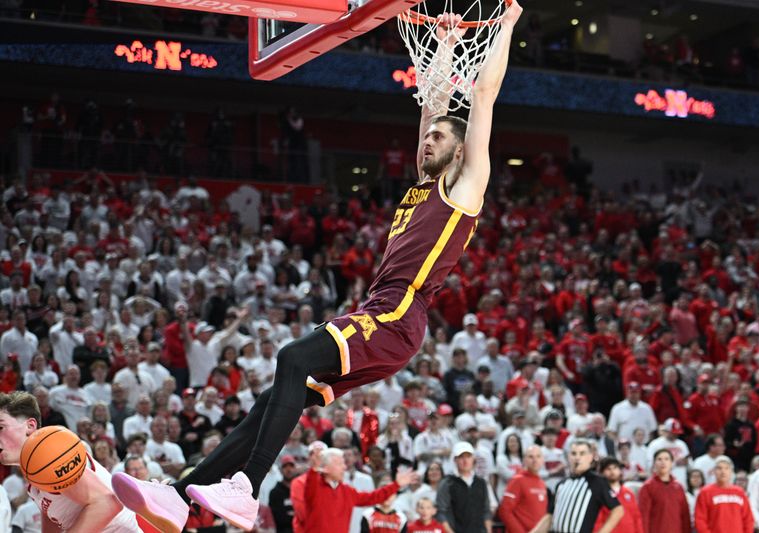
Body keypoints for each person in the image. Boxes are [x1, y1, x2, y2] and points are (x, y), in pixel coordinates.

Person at [111, 4, 524, 532]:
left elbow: (482, 97)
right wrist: (443, 46)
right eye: (428, 136)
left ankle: (247, 489)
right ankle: (176, 498)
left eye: (440, 138)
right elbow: (433, 103)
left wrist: (505, 26)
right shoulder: (422, 184)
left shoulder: (465, 189)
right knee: (271, 400)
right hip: (383, 315)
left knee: (290, 356)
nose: (428, 139)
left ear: (462, 150)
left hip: (398, 314)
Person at [0, 391, 141, 531]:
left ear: (30, 426)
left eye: (1, 427)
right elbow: (52, 514)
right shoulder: (35, 470)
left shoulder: (51, 453)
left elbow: (107, 503)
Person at [532, 439, 623, 533]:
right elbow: (549, 516)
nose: (577, 457)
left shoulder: (597, 482)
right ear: (568, 456)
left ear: (590, 457)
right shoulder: (561, 484)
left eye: (582, 453)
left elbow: (618, 510)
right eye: (573, 453)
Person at [436, 441, 492, 533]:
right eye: (461, 457)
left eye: (468, 457)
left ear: (473, 458)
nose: (465, 461)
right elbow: (442, 512)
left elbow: (486, 511)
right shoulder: (447, 483)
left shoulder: (481, 482)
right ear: (455, 460)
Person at [693, 456, 754, 533]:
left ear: (731, 471)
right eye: (719, 468)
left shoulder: (740, 492)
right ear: (714, 471)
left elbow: (748, 519)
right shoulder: (705, 492)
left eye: (726, 468)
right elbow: (700, 520)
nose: (723, 471)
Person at [497, 445, 549, 533]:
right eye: (530, 457)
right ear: (524, 460)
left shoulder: (541, 482)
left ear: (543, 460)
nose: (535, 460)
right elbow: (504, 511)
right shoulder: (517, 480)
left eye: (538, 456)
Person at [638, 449, 691, 533]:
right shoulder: (647, 487)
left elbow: (685, 515)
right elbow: (643, 516)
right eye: (659, 459)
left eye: (666, 459)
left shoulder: (679, 487)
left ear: (671, 463)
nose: (663, 462)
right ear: (654, 463)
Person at [595, 457, 643, 533]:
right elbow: (597, 522)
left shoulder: (629, 493)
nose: (612, 471)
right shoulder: (598, 495)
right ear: (602, 472)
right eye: (608, 469)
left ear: (620, 471)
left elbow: (636, 518)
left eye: (615, 468)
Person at [269, 455, 297, 533]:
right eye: (285, 466)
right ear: (281, 470)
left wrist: (291, 514)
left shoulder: (300, 490)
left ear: (295, 469)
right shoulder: (275, 492)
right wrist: (297, 515)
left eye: (291, 466)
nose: (289, 469)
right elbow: (279, 518)